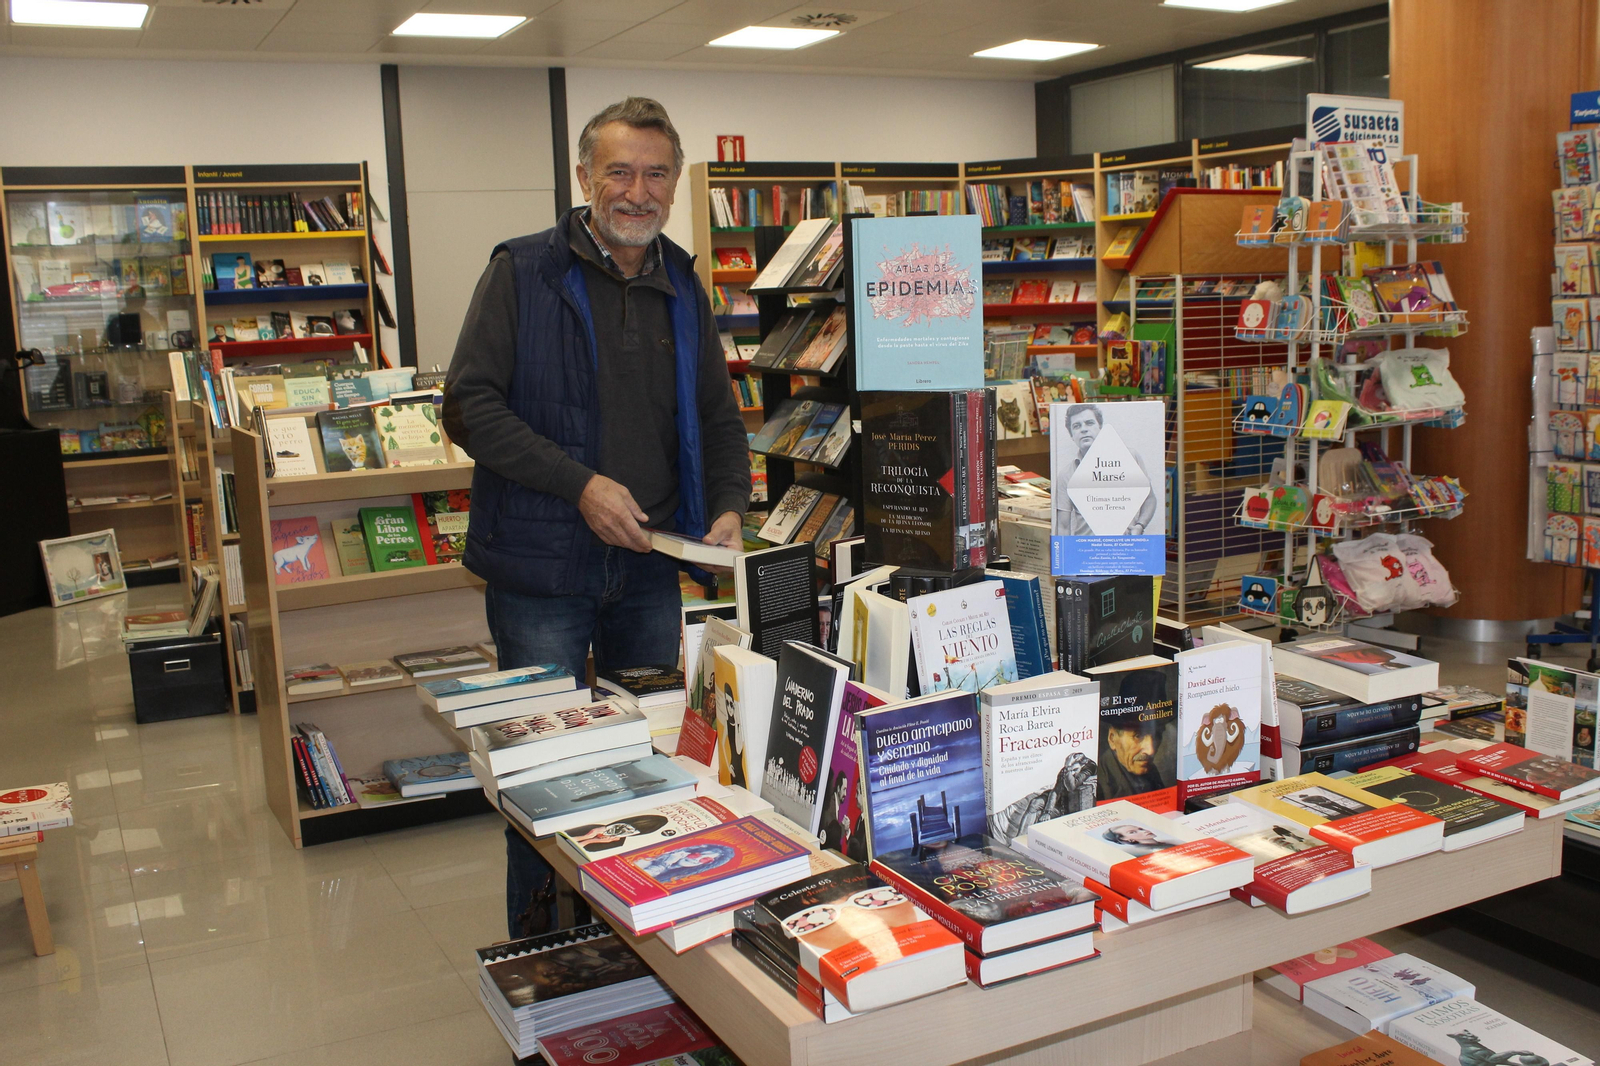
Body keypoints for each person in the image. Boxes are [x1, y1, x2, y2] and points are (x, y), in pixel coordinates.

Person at [442, 97, 750, 939]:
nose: (637, 191)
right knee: (541, 777)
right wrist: (579, 483)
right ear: (584, 176)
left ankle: (632, 954)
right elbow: (469, 406)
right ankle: (545, 962)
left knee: (646, 774)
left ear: (676, 184)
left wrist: (727, 504)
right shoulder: (522, 270)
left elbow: (720, 419)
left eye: (656, 174)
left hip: (651, 568)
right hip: (540, 573)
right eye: (619, 170)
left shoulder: (683, 282)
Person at [1053, 404, 1157, 536]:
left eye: (1089, 423)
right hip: (1086, 551)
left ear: (1100, 428)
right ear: (1072, 436)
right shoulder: (1066, 475)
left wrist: (1140, 526)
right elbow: (1063, 526)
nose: (1083, 429)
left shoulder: (1129, 457)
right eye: (1077, 426)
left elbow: (1149, 499)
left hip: (1125, 548)